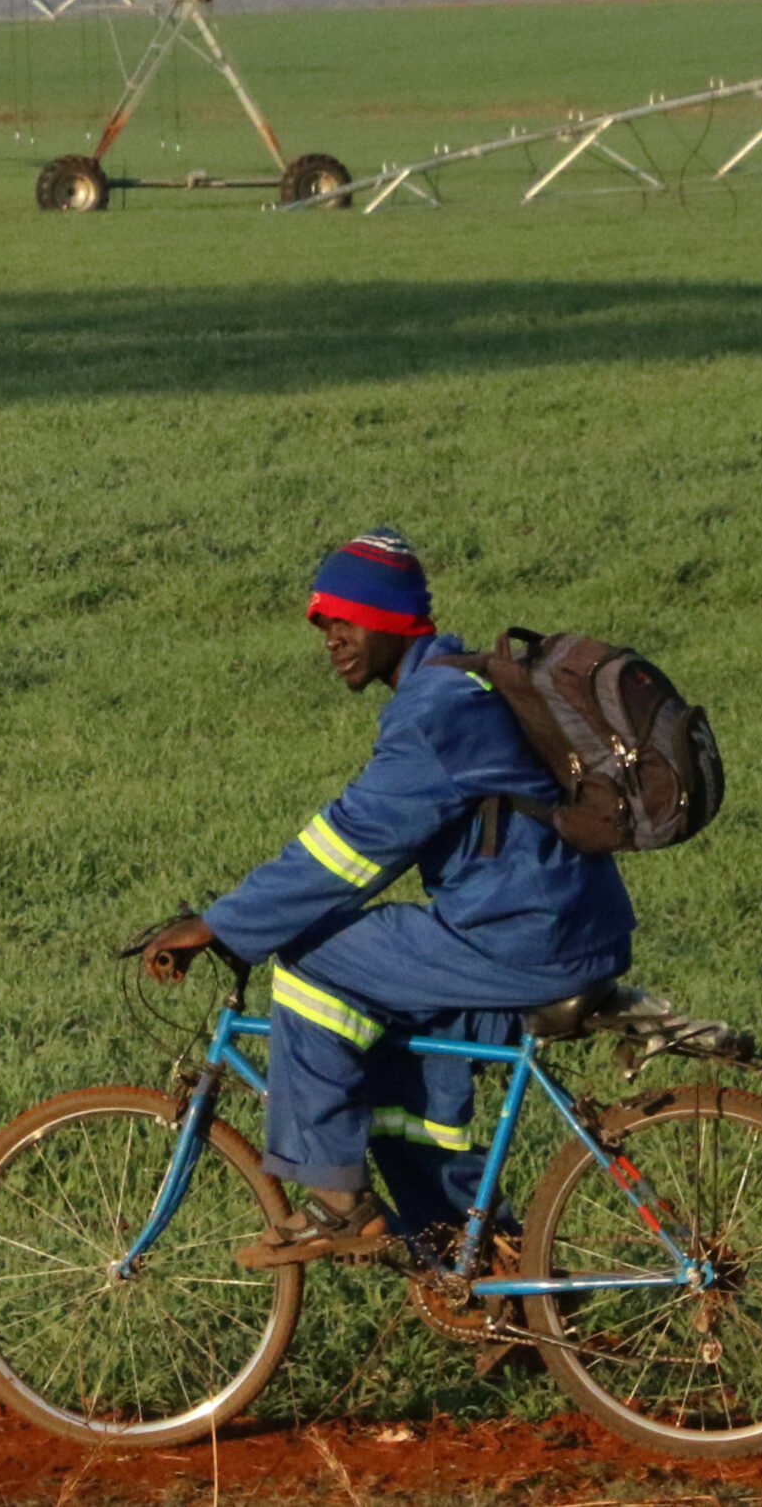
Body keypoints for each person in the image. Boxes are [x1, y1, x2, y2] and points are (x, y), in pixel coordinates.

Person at [142, 529, 637, 1266]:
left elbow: (350, 849)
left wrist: (220, 924)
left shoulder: (439, 711)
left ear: (395, 621)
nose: (332, 639)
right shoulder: (454, 686)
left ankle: (336, 1204)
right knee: (399, 1069)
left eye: (346, 620)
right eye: (322, 625)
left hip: (523, 934)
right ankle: (474, 1262)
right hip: (544, 923)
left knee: (311, 963)